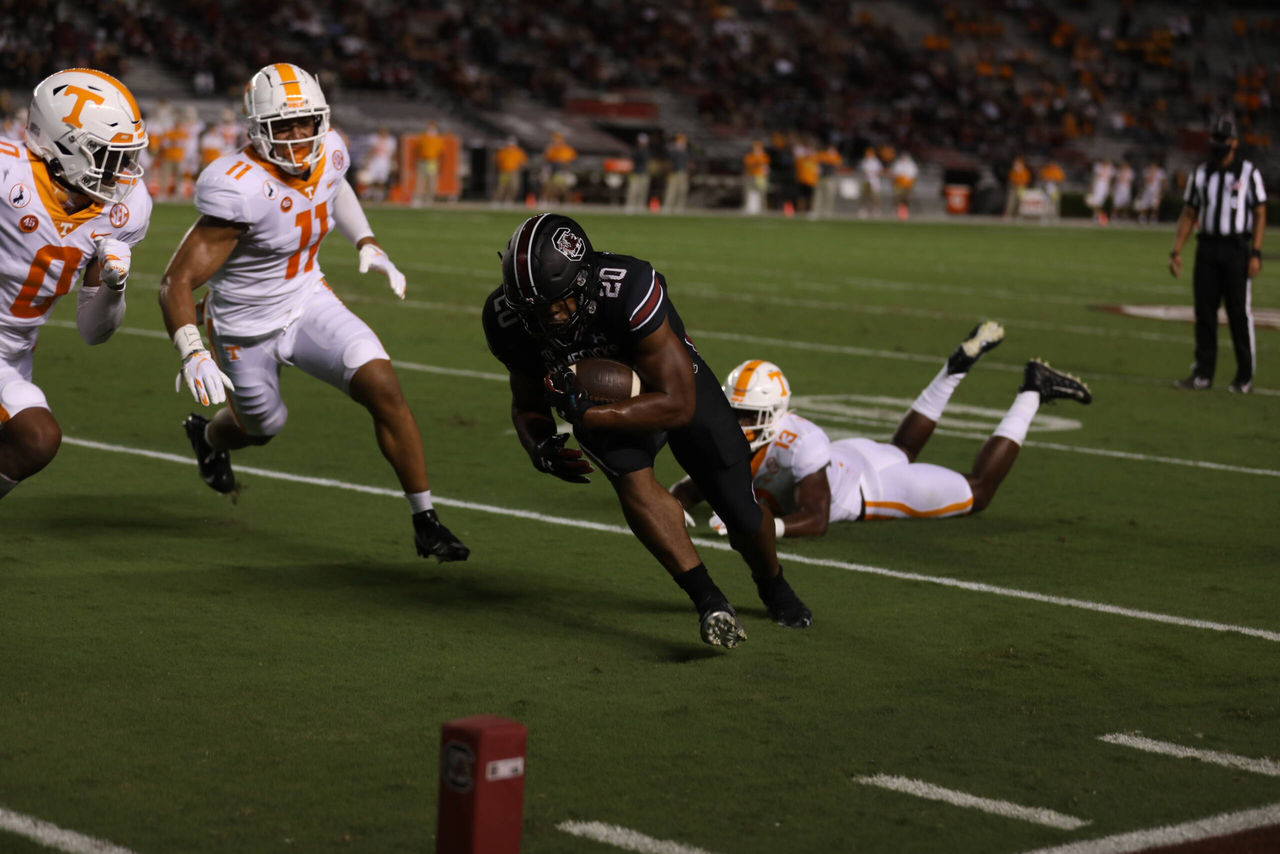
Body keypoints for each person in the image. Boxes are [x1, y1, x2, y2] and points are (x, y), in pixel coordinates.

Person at [156, 63, 468, 561]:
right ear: (258, 130)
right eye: (285, 125)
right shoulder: (238, 185)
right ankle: (208, 436)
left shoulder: (332, 149)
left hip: (306, 300)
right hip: (243, 325)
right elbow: (176, 281)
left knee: (384, 386)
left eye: (307, 122)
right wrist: (192, 351)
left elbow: (335, 185)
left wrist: (366, 240)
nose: (300, 136)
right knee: (261, 429)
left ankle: (425, 519)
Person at [481, 214, 812, 648]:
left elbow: (679, 403)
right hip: (596, 400)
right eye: (535, 309)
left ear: (584, 279)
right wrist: (539, 443)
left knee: (742, 513)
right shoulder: (506, 319)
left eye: (559, 301)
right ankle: (708, 599)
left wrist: (591, 417)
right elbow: (526, 403)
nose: (551, 317)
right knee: (632, 483)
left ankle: (773, 583)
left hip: (671, 386)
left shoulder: (629, 285)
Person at [671, 324, 1092, 535]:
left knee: (978, 491)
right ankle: (955, 368)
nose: (740, 423)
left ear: (776, 414)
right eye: (736, 411)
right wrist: (677, 510)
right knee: (903, 446)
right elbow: (688, 490)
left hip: (874, 487)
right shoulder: (731, 440)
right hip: (850, 454)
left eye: (750, 415)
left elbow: (816, 518)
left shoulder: (800, 443)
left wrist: (766, 525)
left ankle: (1034, 389)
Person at [0, 69, 151, 501]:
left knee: (38, 441)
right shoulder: (9, 173)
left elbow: (92, 332)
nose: (123, 172)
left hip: (14, 353)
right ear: (62, 146)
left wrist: (114, 285)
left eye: (126, 156)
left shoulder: (128, 207)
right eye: (107, 155)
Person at [1169, 118, 1267, 393]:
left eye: (1223, 140)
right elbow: (1189, 213)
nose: (1218, 145)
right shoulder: (1201, 174)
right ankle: (1203, 373)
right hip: (1208, 249)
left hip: (1236, 249)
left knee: (1238, 313)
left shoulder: (1248, 173)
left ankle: (1244, 375)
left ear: (1234, 143)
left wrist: (1255, 252)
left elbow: (1259, 212)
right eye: (1215, 140)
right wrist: (1176, 250)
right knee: (1205, 313)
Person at [360, 127, 396, 202]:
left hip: (385, 161)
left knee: (382, 179)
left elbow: (393, 153)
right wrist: (367, 160)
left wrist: (393, 162)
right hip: (375, 160)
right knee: (370, 178)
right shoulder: (374, 138)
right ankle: (369, 193)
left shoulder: (391, 140)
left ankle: (379, 195)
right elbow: (371, 150)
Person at [413, 121, 444, 208]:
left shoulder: (438, 138)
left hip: (433, 162)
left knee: (431, 181)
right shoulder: (423, 136)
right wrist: (415, 160)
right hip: (423, 160)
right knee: (420, 181)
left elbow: (441, 153)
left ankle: (429, 200)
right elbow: (416, 149)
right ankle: (418, 199)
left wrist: (441, 165)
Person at [542, 132, 577, 205]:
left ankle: (567, 202)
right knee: (550, 187)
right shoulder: (551, 148)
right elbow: (547, 159)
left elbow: (570, 160)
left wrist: (567, 171)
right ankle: (549, 201)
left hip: (563, 170)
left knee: (564, 188)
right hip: (553, 170)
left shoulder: (567, 149)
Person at [810, 144, 842, 220]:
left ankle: (827, 213)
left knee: (829, 196)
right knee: (818, 196)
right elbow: (816, 160)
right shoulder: (822, 155)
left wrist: (831, 157)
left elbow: (838, 163)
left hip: (830, 178)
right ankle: (816, 212)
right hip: (821, 178)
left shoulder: (836, 156)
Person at [493, 137, 527, 207]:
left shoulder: (518, 152)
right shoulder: (503, 151)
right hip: (504, 171)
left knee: (513, 187)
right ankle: (497, 200)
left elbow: (523, 161)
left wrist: (519, 169)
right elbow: (497, 160)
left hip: (514, 171)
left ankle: (509, 200)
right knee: (501, 187)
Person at [662, 134, 690, 213]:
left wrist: (687, 173)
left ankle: (679, 207)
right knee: (671, 190)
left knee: (681, 191)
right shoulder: (673, 152)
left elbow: (688, 164)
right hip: (674, 173)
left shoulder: (685, 153)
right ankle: (668, 206)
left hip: (682, 173)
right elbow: (669, 163)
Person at [625, 133, 651, 213]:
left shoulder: (647, 151)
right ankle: (630, 205)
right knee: (633, 190)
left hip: (644, 173)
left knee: (642, 191)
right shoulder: (636, 151)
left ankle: (640, 205)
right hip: (635, 172)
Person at [741, 140, 769, 215]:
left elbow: (765, 167)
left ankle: (763, 208)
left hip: (760, 176)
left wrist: (764, 174)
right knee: (747, 191)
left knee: (762, 192)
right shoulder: (750, 156)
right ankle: (747, 207)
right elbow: (748, 165)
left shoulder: (764, 156)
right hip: (751, 175)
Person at [891, 151, 918, 220]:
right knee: (898, 198)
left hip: (908, 185)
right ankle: (897, 211)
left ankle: (906, 211)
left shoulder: (911, 165)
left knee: (907, 198)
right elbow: (895, 174)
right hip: (899, 184)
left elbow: (914, 175)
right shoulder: (898, 164)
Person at [857, 147, 883, 218]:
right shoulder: (864, 161)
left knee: (875, 197)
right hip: (865, 181)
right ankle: (863, 210)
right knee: (864, 196)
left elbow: (879, 171)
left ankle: (875, 210)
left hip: (874, 182)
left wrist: (871, 173)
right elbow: (862, 170)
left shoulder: (876, 162)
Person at [1087, 159, 1114, 225]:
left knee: (1100, 203)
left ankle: (1098, 216)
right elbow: (1095, 177)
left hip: (1104, 187)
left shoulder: (1110, 168)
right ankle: (1097, 216)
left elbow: (1110, 180)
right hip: (1098, 186)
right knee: (1095, 202)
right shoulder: (1098, 167)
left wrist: (1110, 189)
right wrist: (1092, 187)